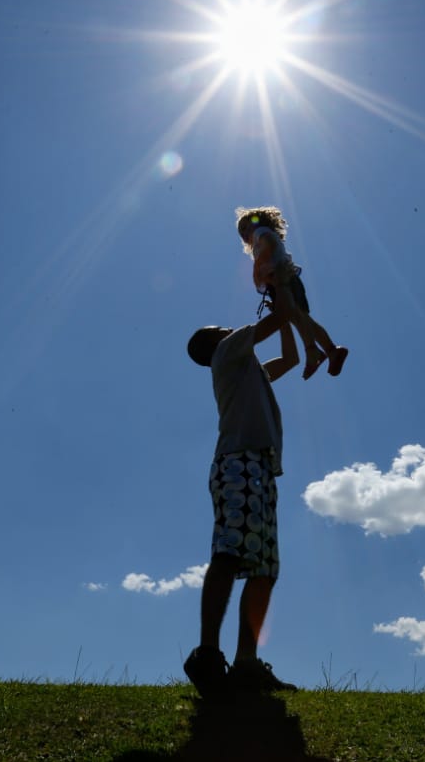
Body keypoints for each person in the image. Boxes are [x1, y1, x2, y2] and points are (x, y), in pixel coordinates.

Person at [183, 310, 300, 697]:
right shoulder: (227, 352)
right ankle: (209, 656)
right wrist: (282, 289)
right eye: (221, 328)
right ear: (215, 341)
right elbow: (267, 326)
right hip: (239, 463)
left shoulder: (248, 369)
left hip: (260, 468)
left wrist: (287, 316)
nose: (229, 327)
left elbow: (290, 360)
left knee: (264, 568)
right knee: (230, 553)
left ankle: (247, 664)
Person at [235, 206, 348, 380]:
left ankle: (313, 351)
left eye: (245, 226)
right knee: (300, 316)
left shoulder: (260, 233)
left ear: (259, 222)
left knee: (296, 314)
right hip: (281, 281)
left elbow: (269, 245)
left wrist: (258, 268)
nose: (243, 232)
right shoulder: (259, 241)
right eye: (240, 231)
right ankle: (330, 350)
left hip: (282, 278)